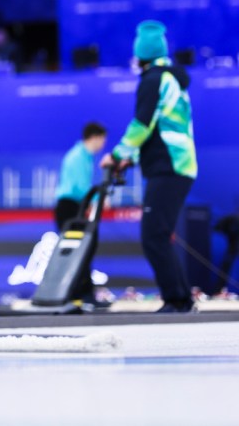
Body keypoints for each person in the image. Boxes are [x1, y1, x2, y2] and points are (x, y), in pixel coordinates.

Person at [100, 20, 197, 313]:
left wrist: (117, 155)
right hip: (177, 164)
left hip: (170, 166)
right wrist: (132, 158)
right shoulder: (170, 78)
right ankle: (181, 299)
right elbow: (161, 127)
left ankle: (176, 300)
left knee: (154, 235)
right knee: (160, 234)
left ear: (141, 54)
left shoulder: (153, 80)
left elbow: (142, 124)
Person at [53, 121, 107, 303]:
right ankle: (81, 294)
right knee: (81, 250)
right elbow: (80, 187)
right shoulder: (78, 157)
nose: (103, 144)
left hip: (74, 207)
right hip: (70, 208)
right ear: (95, 137)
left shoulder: (83, 156)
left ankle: (82, 293)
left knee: (82, 250)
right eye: (103, 140)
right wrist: (98, 199)